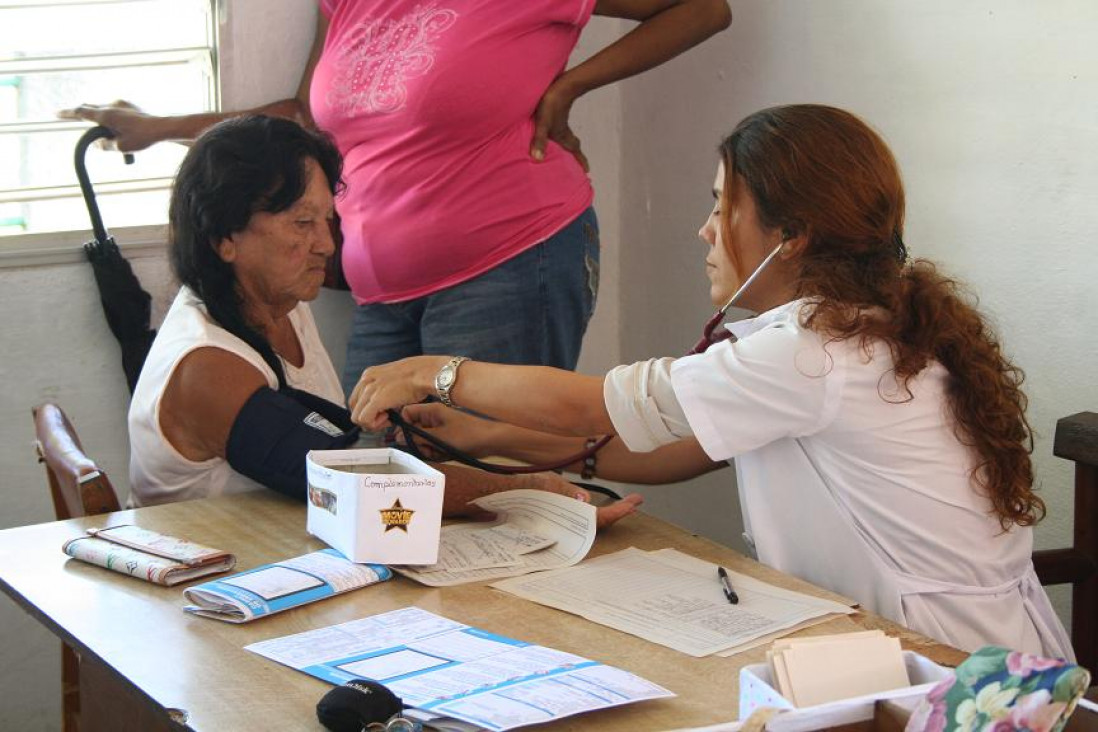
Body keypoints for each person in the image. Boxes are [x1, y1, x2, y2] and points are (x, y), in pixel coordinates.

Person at [345, 104, 1074, 659]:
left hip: (938, 662)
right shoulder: (871, 327)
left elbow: (602, 402)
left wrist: (436, 373)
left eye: (722, 204)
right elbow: (688, 447)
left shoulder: (810, 351)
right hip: (960, 649)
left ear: (791, 237)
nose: (705, 229)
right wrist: (488, 436)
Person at [60, 0, 733, 396]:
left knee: (485, 491)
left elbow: (704, 7)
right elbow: (302, 120)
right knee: (379, 488)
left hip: (510, 264)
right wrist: (160, 129)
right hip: (380, 292)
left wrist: (568, 88)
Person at [127, 114, 642, 526]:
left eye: (328, 219)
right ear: (224, 238)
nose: (326, 246)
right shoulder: (207, 368)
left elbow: (350, 454)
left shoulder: (276, 300)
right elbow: (358, 484)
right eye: (301, 224)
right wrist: (529, 492)